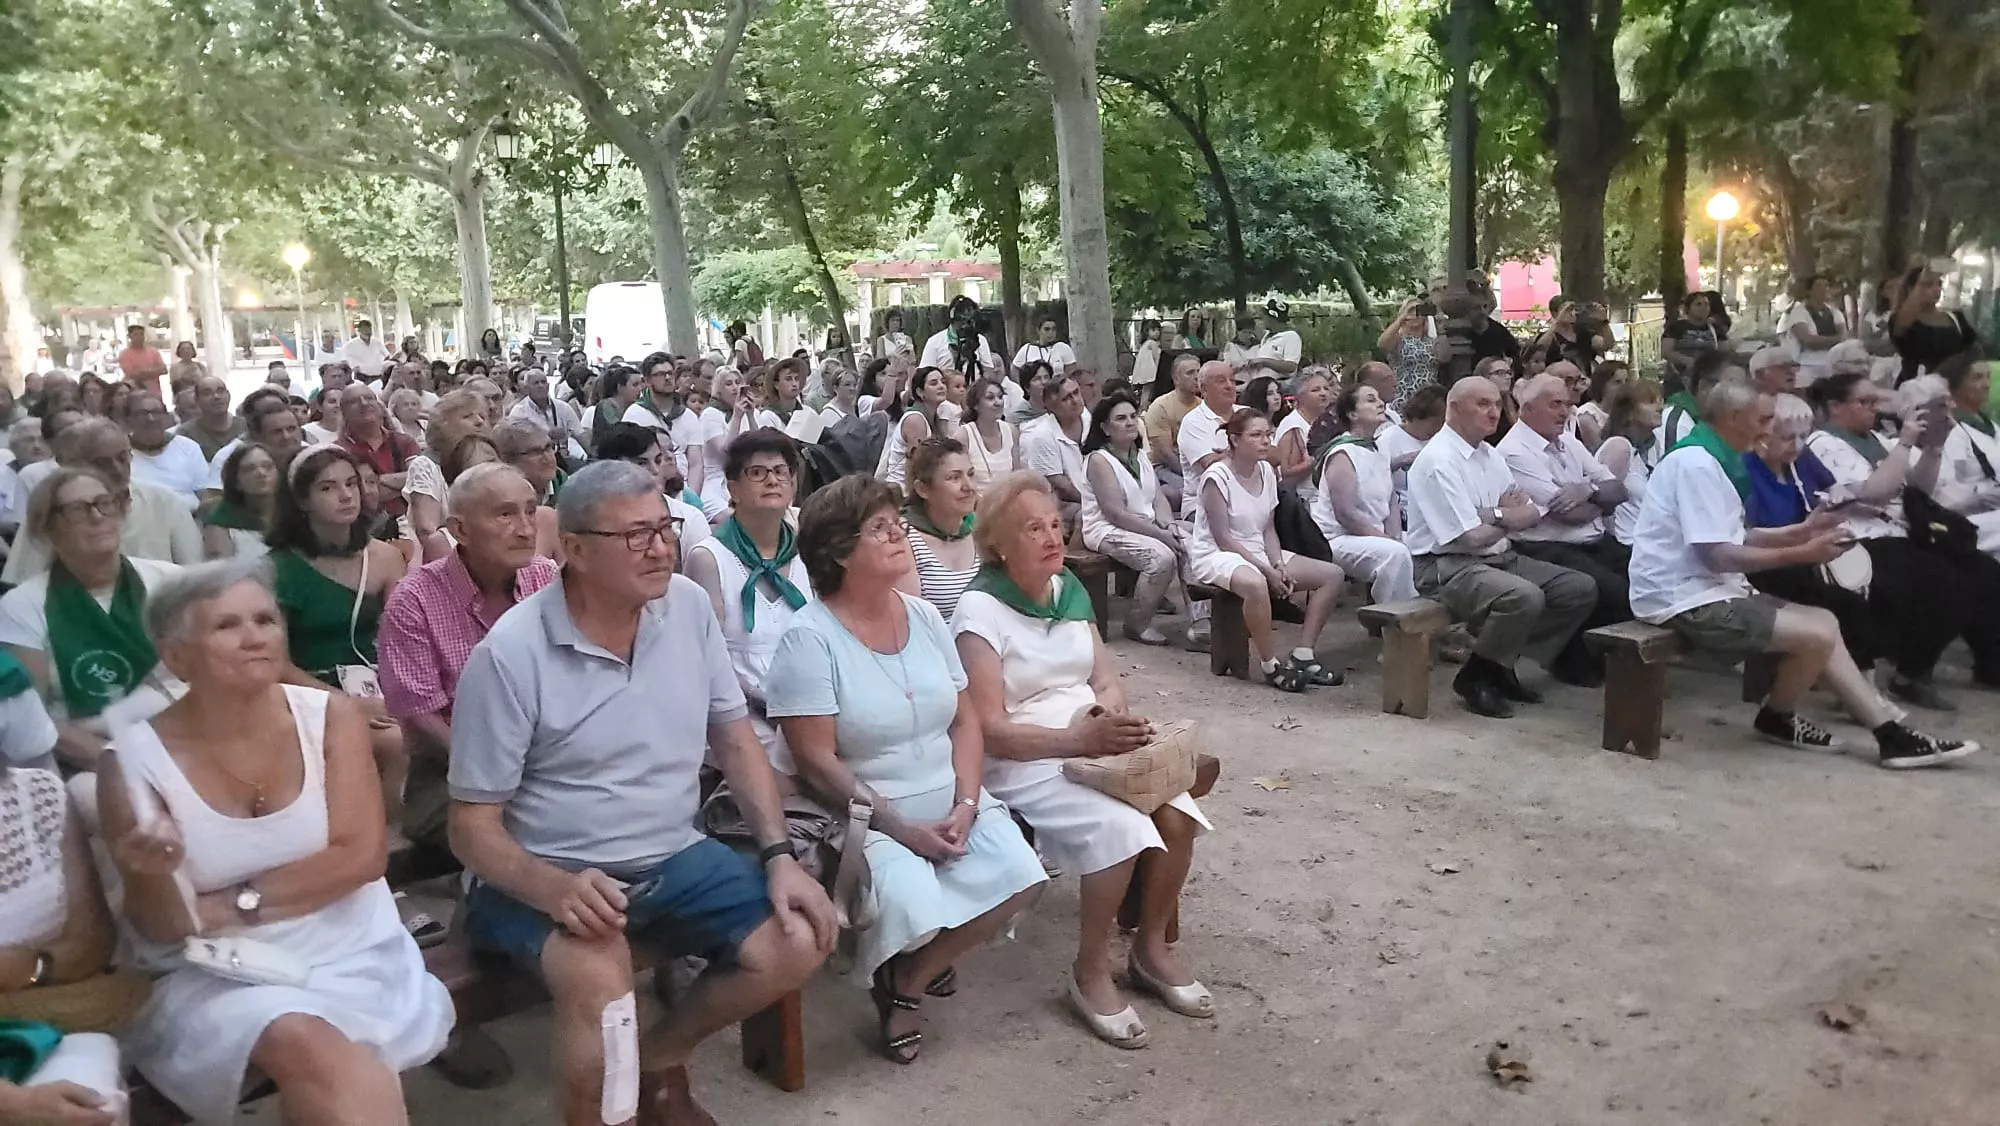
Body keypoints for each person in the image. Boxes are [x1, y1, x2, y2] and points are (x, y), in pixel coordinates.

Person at [448, 460, 835, 1124]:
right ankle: (603, 1113)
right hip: (546, 872)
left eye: (664, 527)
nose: (660, 548)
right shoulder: (511, 655)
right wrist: (554, 889)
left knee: (799, 934)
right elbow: (470, 827)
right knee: (602, 990)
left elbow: (734, 737)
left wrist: (778, 855)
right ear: (572, 549)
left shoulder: (684, 607)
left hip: (670, 854)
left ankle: (661, 1060)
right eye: (634, 536)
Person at [96, 558, 454, 1126]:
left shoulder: (331, 717)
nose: (254, 637)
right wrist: (148, 874)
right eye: (226, 625)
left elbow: (361, 858)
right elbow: (167, 926)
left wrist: (227, 903)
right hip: (217, 975)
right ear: (175, 655)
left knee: (332, 1076)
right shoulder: (134, 762)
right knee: (311, 1046)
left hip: (353, 948)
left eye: (264, 619)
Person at [762, 473, 1041, 1063]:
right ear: (839, 550)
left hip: (949, 795)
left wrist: (967, 804)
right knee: (914, 902)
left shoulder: (924, 616)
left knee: (1020, 870)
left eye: (898, 523)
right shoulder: (808, 639)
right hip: (863, 813)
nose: (899, 535)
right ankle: (911, 952)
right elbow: (815, 761)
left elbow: (965, 720)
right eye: (880, 528)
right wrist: (900, 827)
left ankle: (906, 983)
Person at [955, 474, 1214, 1048]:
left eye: (1055, 524)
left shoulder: (1066, 585)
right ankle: (1090, 969)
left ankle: (1150, 950)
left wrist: (1105, 720)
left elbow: (1105, 679)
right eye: (1033, 528)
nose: (1052, 536)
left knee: (1177, 812)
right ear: (998, 543)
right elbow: (991, 731)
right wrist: (1077, 741)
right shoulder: (979, 609)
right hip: (1027, 760)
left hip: (1091, 742)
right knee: (1121, 829)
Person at [1626, 380, 1975, 768]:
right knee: (1819, 630)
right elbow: (1719, 555)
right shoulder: (1697, 464)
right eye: (1763, 419)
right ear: (1733, 418)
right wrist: (1802, 552)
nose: (1768, 428)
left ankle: (1786, 717)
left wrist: (1801, 530)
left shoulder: (1714, 455)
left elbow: (1732, 535)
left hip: (1706, 588)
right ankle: (1885, 735)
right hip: (1681, 598)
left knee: (1825, 620)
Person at [1747, 391, 1981, 711]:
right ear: (1762, 437)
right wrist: (1808, 534)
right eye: (1788, 437)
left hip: (1812, 552)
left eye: (1803, 436)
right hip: (1775, 560)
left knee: (1867, 596)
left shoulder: (1800, 460)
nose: (1799, 445)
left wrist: (1838, 502)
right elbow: (1754, 536)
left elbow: (1836, 492)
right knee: (1849, 604)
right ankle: (1861, 694)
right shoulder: (1749, 470)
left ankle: (1866, 689)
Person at [1405, 376, 1598, 717]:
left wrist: (1492, 515)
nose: (1494, 413)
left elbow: (1531, 514)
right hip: (1446, 567)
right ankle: (1477, 676)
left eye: (1497, 404)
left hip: (1497, 557)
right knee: (1522, 597)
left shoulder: (1488, 454)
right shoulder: (1439, 460)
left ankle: (1494, 665)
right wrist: (1504, 514)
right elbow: (1469, 538)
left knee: (1577, 588)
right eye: (1482, 404)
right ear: (1453, 408)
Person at [0, 468, 185, 770]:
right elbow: (33, 720)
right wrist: (124, 764)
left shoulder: (171, 582)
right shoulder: (22, 606)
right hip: (88, 763)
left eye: (104, 503)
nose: (97, 516)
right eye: (77, 510)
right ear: (48, 530)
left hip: (186, 743)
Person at [0, 751, 131, 1122]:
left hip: (44, 1023)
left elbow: (92, 944)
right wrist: (16, 1105)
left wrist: (28, 966)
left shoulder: (36, 795)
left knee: (88, 1107)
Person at [684, 433, 812, 782]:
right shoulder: (709, 558)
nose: (772, 479)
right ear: (733, 489)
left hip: (804, 705)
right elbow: (708, 661)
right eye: (757, 473)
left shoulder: (806, 554)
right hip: (740, 712)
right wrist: (775, 710)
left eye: (781, 471)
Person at [1187, 410, 1344, 690]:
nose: (1265, 441)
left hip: (1257, 550)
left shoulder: (1266, 471)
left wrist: (1278, 564)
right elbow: (1223, 539)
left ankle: (1303, 654)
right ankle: (1270, 664)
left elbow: (1268, 527)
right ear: (1234, 440)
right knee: (1257, 584)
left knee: (1332, 575)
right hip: (1216, 554)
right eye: (1256, 435)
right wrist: (1268, 572)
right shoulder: (1216, 477)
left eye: (1267, 435)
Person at [1494, 371, 1632, 683]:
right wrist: (1597, 494)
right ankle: (1577, 658)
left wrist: (1588, 491)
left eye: (1568, 405)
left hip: (1591, 539)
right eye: (1555, 404)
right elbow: (1568, 515)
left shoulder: (1568, 443)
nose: (1565, 412)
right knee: (1611, 589)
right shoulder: (1513, 452)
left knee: (1644, 570)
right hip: (1546, 545)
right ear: (1528, 408)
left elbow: (1619, 491)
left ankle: (1613, 657)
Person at [4, 420, 203, 584]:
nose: (117, 470)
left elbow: (194, 576)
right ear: (69, 465)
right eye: (101, 463)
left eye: (122, 458)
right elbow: (23, 580)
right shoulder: (51, 511)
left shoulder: (165, 503)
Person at [1079, 394, 1184, 644]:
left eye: (1132, 417)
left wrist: (1169, 525)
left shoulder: (1139, 455)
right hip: (1106, 529)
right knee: (1161, 557)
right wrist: (1160, 534)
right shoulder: (1099, 460)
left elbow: (1158, 498)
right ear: (1104, 428)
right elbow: (1115, 513)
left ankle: (1201, 625)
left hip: (1144, 524)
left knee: (1190, 542)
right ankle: (1138, 623)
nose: (1129, 423)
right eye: (1120, 418)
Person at [1311, 384, 1418, 604]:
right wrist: (1388, 540)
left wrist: (1396, 536)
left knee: (1424, 542)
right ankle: (1395, 621)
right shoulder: (1343, 452)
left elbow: (1391, 501)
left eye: (1379, 398)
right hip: (1337, 538)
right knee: (1395, 554)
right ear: (1352, 414)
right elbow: (1346, 515)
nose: (1380, 403)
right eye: (1370, 400)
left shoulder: (1379, 448)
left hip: (1372, 534)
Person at [595, 422, 713, 558]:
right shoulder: (593, 521)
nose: (655, 470)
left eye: (658, 460)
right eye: (641, 463)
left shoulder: (690, 518)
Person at [404, 390, 492, 563]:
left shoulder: (490, 461)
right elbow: (427, 530)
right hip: (445, 563)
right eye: (468, 416)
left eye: (483, 416)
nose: (479, 421)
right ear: (443, 425)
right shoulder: (426, 465)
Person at [1595, 376, 1666, 549]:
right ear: (1630, 412)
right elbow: (1602, 504)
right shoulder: (1619, 447)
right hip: (1627, 544)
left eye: (1661, 401)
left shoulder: (1654, 446)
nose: (1660, 407)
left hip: (1651, 543)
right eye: (1650, 402)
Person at [335, 383, 420, 524]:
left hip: (410, 523)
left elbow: (420, 481)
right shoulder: (339, 450)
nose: (363, 403)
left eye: (369, 398)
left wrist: (376, 480)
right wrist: (403, 487)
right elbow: (360, 496)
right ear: (344, 412)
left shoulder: (404, 442)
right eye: (354, 401)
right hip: (364, 528)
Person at [1889, 265, 1979, 385]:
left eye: (1939, 284)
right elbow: (1900, 329)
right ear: (1911, 289)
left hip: (1952, 391)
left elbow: (1974, 351)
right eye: (1928, 285)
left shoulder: (1955, 317)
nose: (1936, 289)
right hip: (1917, 392)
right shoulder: (1902, 320)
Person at [202, 393, 304, 498]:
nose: (286, 436)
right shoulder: (233, 458)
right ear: (256, 436)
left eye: (291, 429)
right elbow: (209, 504)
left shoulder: (313, 454)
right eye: (277, 432)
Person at [122, 391, 208, 510]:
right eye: (142, 414)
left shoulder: (187, 447)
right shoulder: (120, 455)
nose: (151, 419)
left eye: (156, 412)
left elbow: (205, 495)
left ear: (166, 417)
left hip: (192, 519)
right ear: (128, 420)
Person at [1021, 374, 1089, 520]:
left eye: (1076, 393)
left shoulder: (1089, 418)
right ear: (1052, 408)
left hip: (1094, 497)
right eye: (1066, 399)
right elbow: (1061, 487)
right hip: (1059, 503)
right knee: (1084, 517)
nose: (1075, 401)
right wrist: (1094, 503)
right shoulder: (1042, 436)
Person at [1143, 351, 1201, 505]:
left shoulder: (1203, 406)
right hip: (1165, 468)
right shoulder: (1160, 406)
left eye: (1199, 372)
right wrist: (1192, 476)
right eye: (1190, 373)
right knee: (1193, 493)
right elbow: (1165, 454)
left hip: (1197, 465)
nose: (1197, 377)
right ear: (1176, 379)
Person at [201, 443, 278, 559]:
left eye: (268, 466)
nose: (261, 473)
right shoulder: (221, 522)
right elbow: (222, 571)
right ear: (236, 482)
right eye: (249, 469)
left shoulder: (293, 513)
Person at [878, 367, 949, 488]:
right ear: (920, 392)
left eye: (943, 382)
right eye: (933, 383)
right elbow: (915, 467)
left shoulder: (935, 416)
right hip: (902, 491)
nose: (941, 386)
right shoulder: (915, 420)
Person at [957, 376, 1021, 494]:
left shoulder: (1011, 431)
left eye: (1000, 397)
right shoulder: (963, 435)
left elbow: (1017, 476)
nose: (998, 402)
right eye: (990, 398)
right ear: (976, 405)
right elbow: (961, 480)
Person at [1377, 298, 1443, 413]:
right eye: (1411, 310)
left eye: (1418, 310)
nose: (1415, 314)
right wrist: (1401, 319)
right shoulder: (1399, 340)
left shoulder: (1432, 340)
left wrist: (1441, 324)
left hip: (1428, 398)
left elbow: (1445, 357)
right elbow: (1382, 344)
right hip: (1405, 397)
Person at [1273, 367, 1332, 494]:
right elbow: (1287, 474)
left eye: (1326, 388)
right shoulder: (1294, 425)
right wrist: (1321, 455)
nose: (1323, 393)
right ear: (1300, 396)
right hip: (1304, 501)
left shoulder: (1326, 421)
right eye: (1315, 390)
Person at [1781, 273, 1847, 386]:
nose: (1825, 289)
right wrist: (1836, 340)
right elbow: (1808, 341)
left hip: (1833, 365)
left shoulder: (1835, 312)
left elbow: (1844, 337)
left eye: (1827, 286)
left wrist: (1824, 340)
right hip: (1807, 366)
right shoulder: (1799, 312)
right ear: (1809, 291)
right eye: (1819, 286)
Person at [919, 296, 1000, 380]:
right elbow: (924, 375)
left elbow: (988, 371)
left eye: (970, 319)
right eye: (962, 318)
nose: (965, 324)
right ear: (952, 317)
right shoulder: (935, 342)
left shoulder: (980, 340)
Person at [1530, 299, 1610, 382]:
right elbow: (1538, 350)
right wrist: (1557, 321)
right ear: (1554, 313)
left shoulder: (1583, 333)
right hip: (1557, 386)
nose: (1572, 312)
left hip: (1583, 385)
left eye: (1573, 309)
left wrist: (1604, 322)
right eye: (1567, 310)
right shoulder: (1548, 336)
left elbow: (1607, 345)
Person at [175, 374, 244, 463]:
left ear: (228, 395)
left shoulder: (247, 426)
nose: (216, 396)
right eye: (207, 393)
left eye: (221, 391)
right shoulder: (186, 434)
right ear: (197, 400)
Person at [1661, 291, 1729, 382]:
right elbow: (1666, 352)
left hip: (1706, 380)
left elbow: (1723, 352)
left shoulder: (1716, 329)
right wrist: (1687, 361)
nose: (1704, 308)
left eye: (1707, 304)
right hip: (1678, 380)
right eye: (1698, 304)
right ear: (1687, 309)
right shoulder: (1676, 327)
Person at [1011, 314, 1077, 377]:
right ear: (1038, 330)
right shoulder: (1028, 348)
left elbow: (1071, 370)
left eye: (1053, 329)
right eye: (1047, 329)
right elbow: (1014, 368)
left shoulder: (1063, 347)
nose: (1050, 333)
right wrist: (1019, 386)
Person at [115, 324, 168, 399]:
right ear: (129, 336)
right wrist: (154, 372)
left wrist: (143, 372)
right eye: (136, 334)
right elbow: (132, 375)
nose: (139, 337)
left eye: (141, 334)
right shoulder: (124, 354)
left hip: (155, 394)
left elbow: (164, 370)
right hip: (134, 394)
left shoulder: (153, 351)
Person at [1130, 319, 1164, 396]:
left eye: (1158, 330)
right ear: (1146, 331)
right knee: (1149, 391)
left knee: (1146, 391)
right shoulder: (1152, 343)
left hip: (1144, 371)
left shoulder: (1144, 344)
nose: (1157, 332)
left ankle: (1143, 406)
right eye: (1153, 330)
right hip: (1151, 372)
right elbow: (1157, 358)